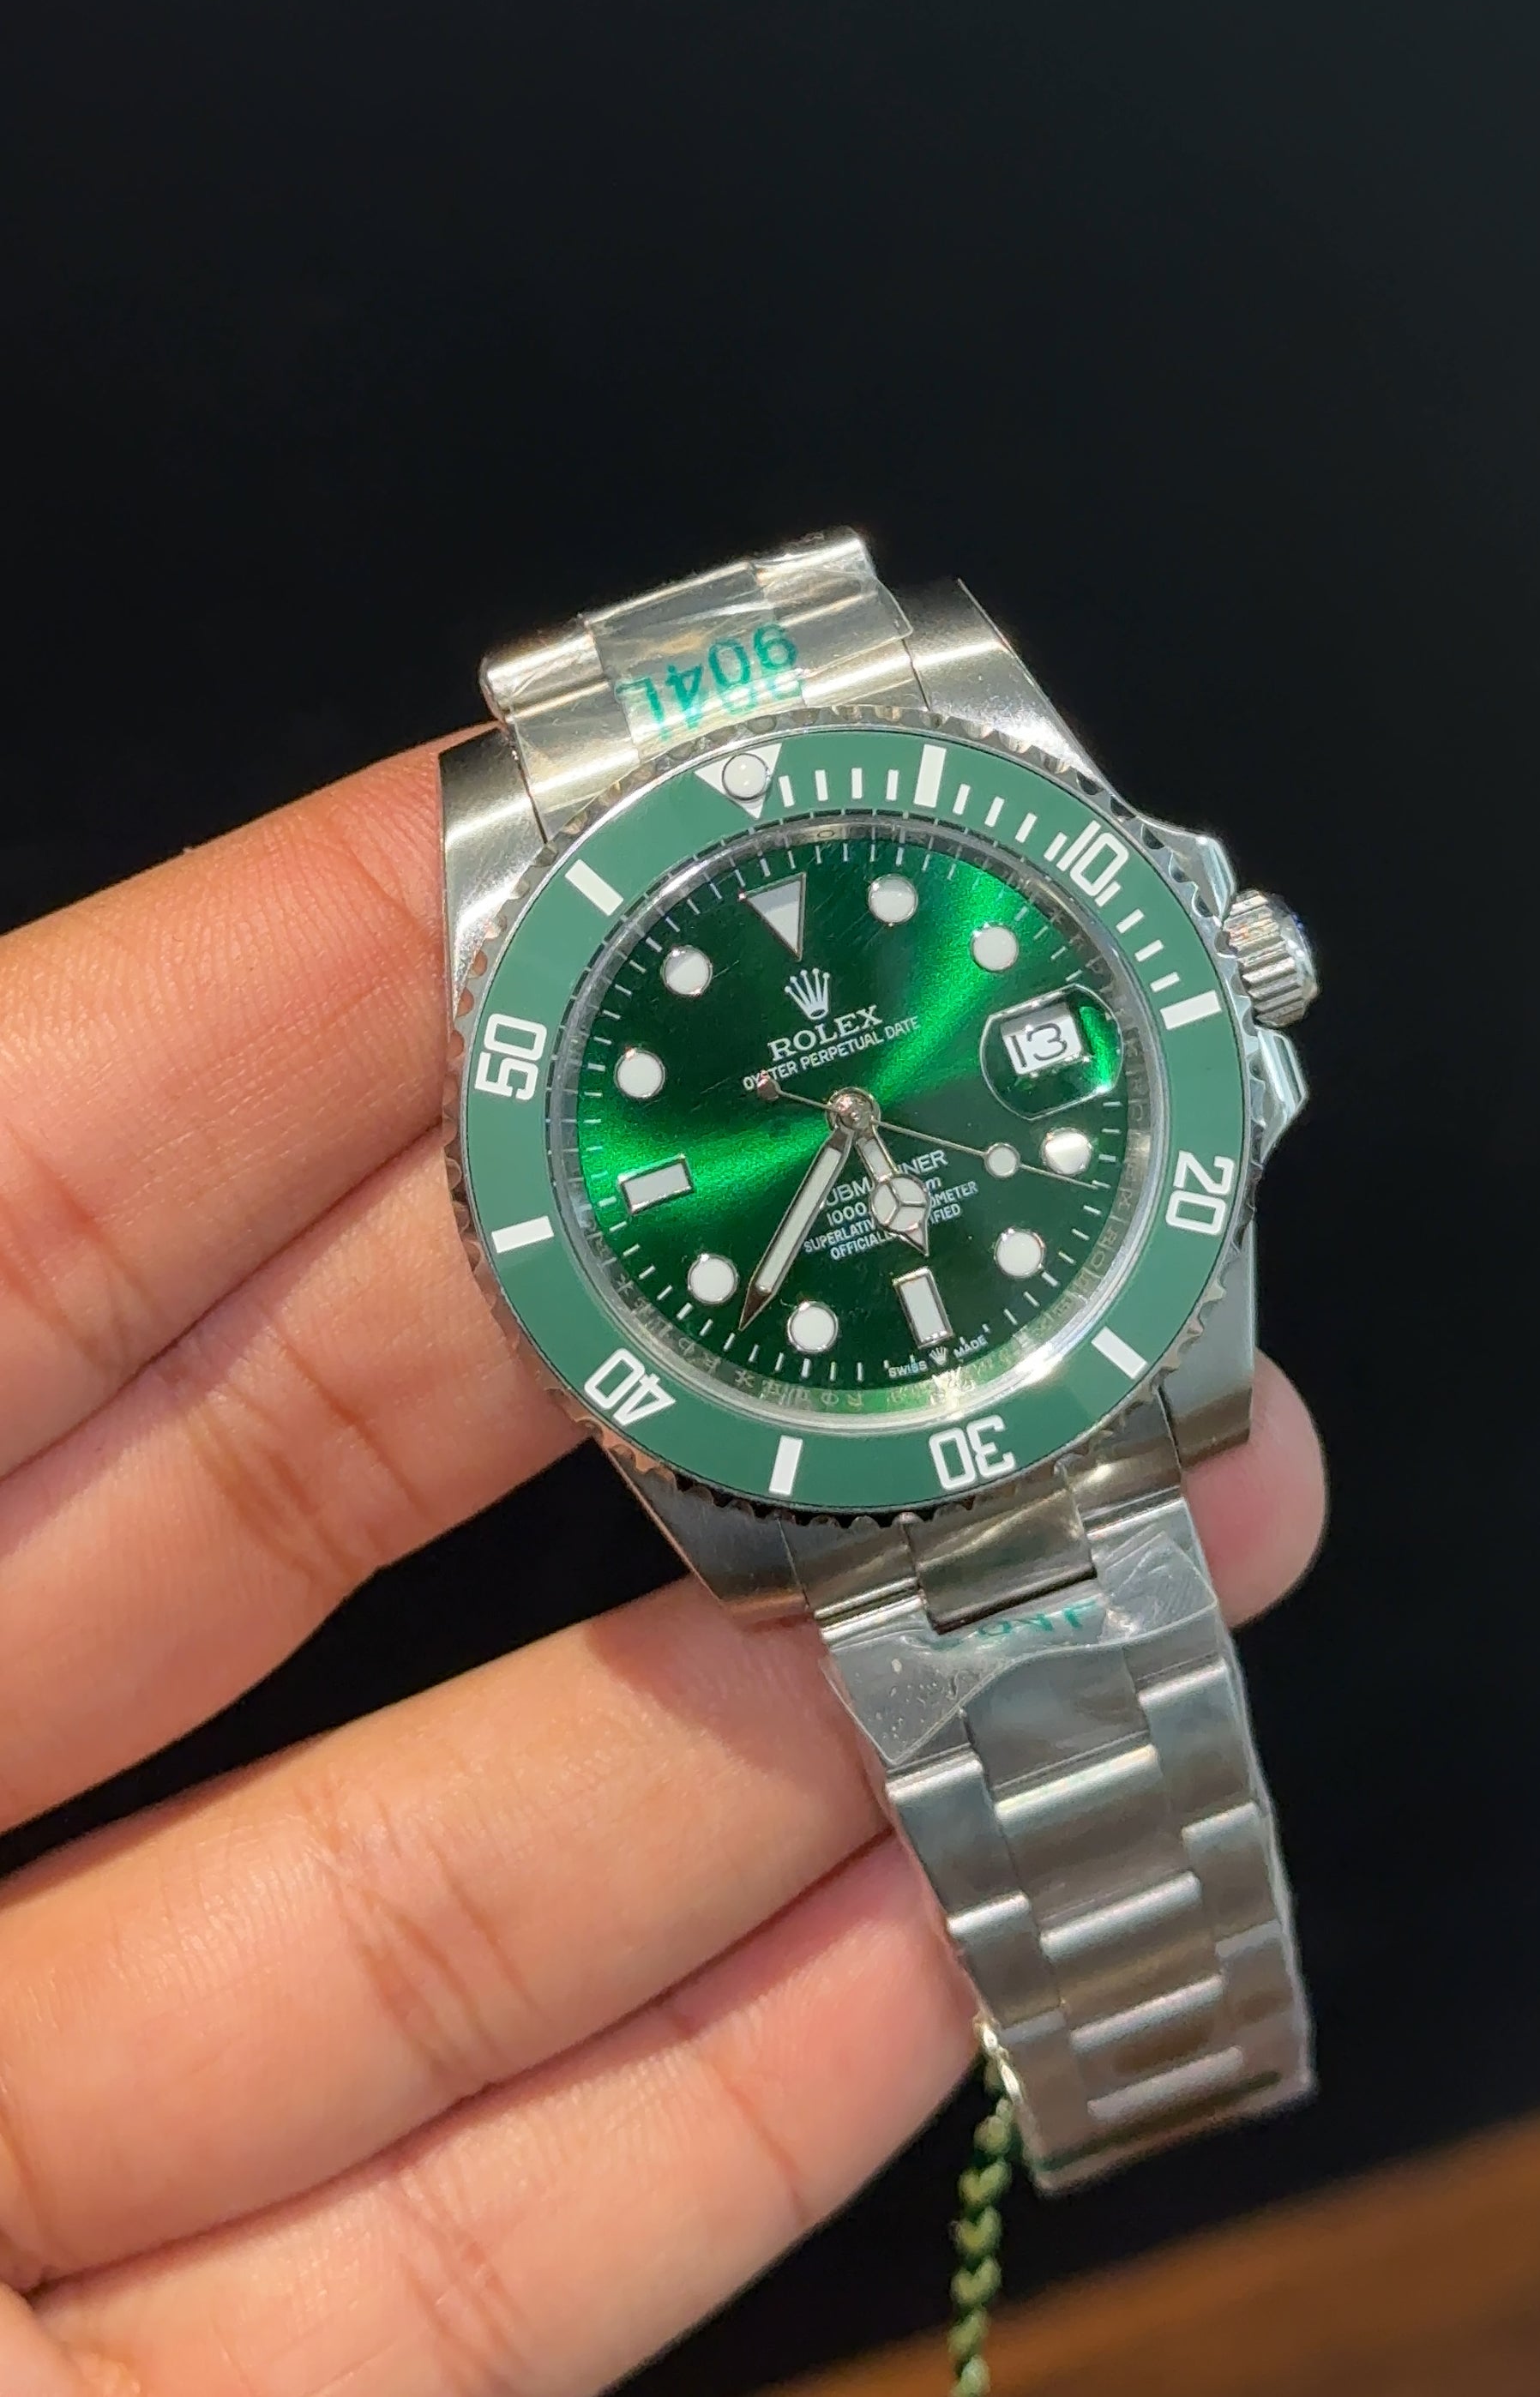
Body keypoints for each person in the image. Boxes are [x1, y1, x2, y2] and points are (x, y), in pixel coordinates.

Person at [0, 744, 1326, 2397]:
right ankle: (1170, 2078)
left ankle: (1186, 2071)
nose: (854, 1110)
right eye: (833, 1116)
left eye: (861, 1102)